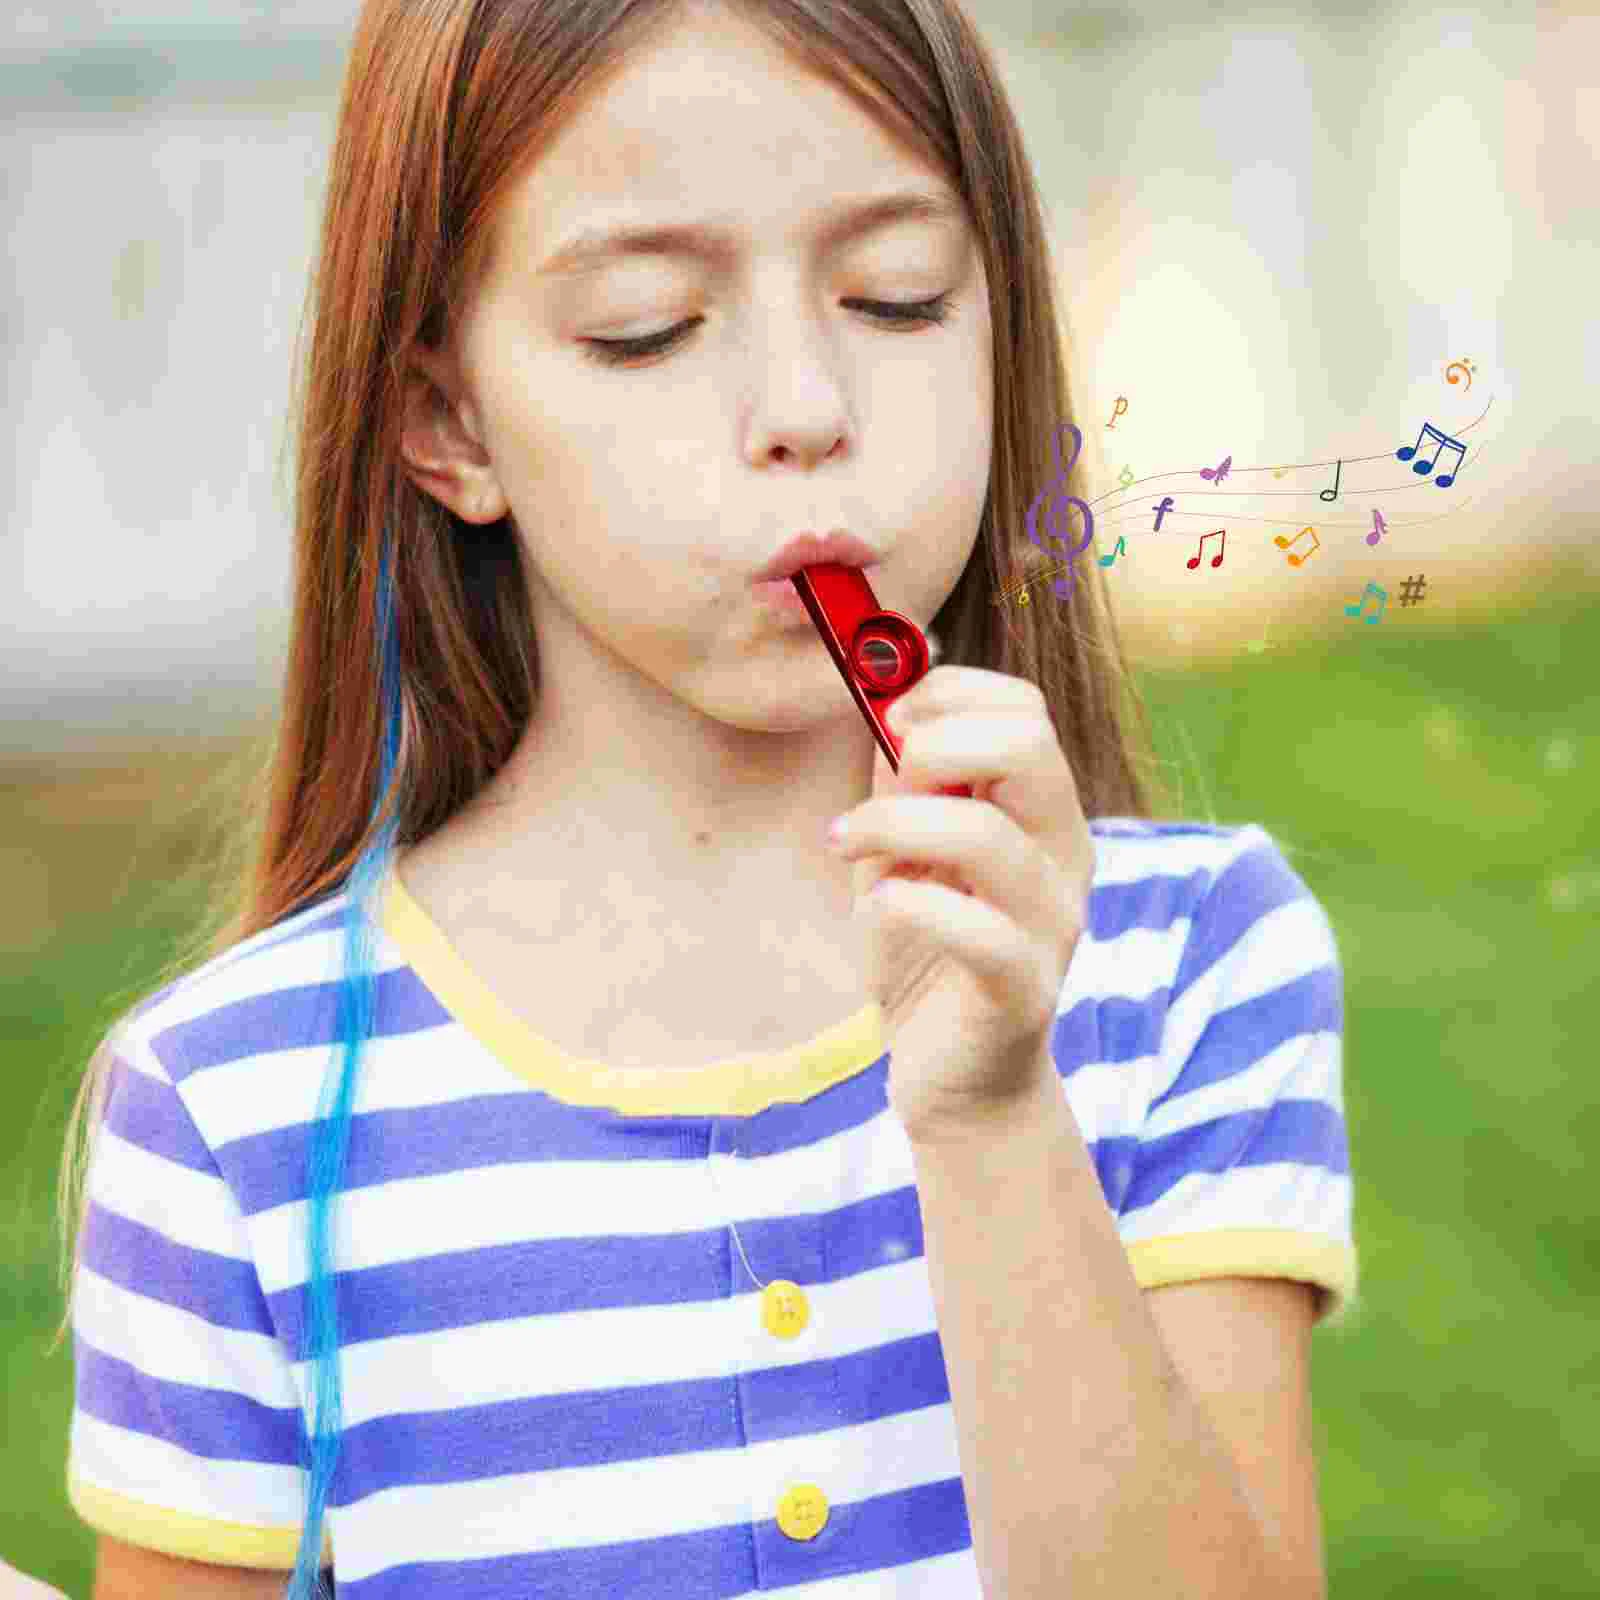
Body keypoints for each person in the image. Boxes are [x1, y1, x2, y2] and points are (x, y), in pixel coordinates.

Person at [51, 1, 1359, 1597]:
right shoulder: (228, 1113)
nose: (806, 405)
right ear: (447, 422)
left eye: (898, 296)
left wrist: (996, 1117)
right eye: (648, 325)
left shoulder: (1189, 966)